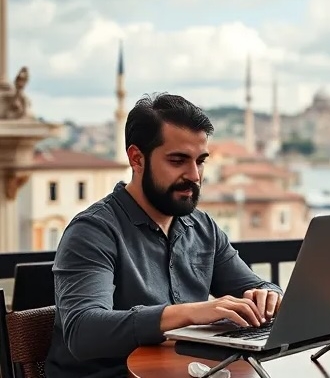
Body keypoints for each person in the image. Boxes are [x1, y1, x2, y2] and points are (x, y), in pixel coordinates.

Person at [45, 93, 283, 378]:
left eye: (200, 161)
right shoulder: (92, 232)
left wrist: (270, 297)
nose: (194, 175)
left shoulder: (202, 228)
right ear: (136, 158)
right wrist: (189, 312)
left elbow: (259, 287)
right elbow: (83, 331)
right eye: (178, 160)